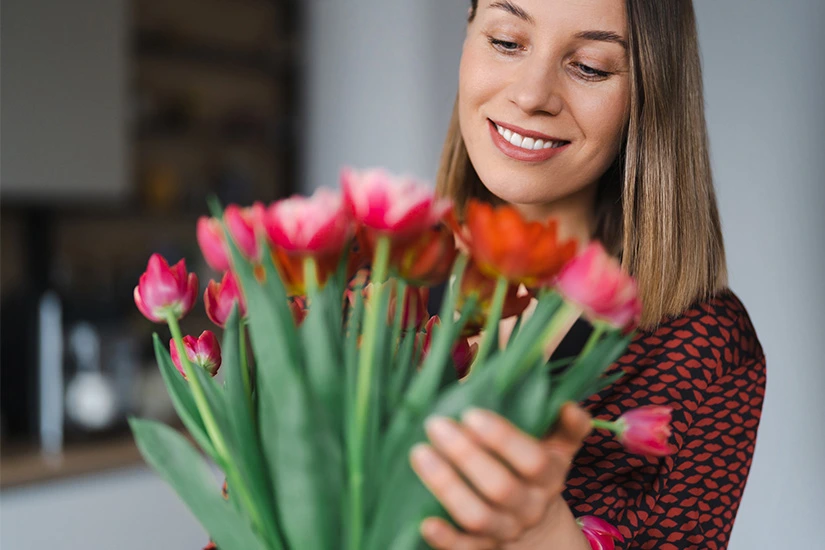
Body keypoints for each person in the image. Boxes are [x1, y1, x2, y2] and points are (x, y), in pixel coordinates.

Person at [407, 1, 766, 549]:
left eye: (590, 67)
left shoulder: (706, 347)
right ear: (469, 39)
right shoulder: (372, 271)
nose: (531, 95)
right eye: (506, 41)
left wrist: (545, 531)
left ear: (649, 95)